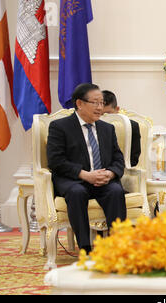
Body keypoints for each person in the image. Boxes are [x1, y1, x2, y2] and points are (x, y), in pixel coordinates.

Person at [47, 83, 127, 254]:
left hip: (102, 180)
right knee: (77, 192)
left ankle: (117, 246)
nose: (100, 108)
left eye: (102, 103)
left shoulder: (107, 128)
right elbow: (56, 160)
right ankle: (85, 248)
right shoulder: (59, 127)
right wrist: (84, 175)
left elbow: (118, 158)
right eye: (95, 103)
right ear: (79, 104)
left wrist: (110, 173)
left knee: (116, 191)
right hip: (74, 180)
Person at [102, 90, 141, 167]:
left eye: (108, 114)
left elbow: (133, 160)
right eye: (101, 114)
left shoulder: (132, 126)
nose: (104, 119)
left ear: (117, 109)